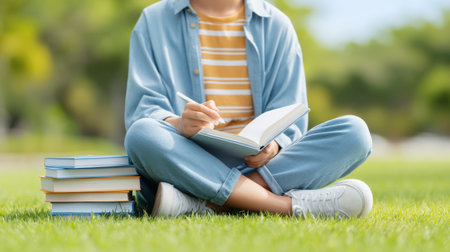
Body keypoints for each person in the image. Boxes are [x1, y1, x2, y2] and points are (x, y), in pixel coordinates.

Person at [124, 0, 373, 219]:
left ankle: (204, 203)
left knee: (355, 132)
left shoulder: (277, 25)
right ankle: (284, 206)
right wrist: (179, 123)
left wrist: (274, 145)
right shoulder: (153, 20)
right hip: (185, 160)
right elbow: (145, 108)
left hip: (263, 165)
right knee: (142, 133)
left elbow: (290, 116)